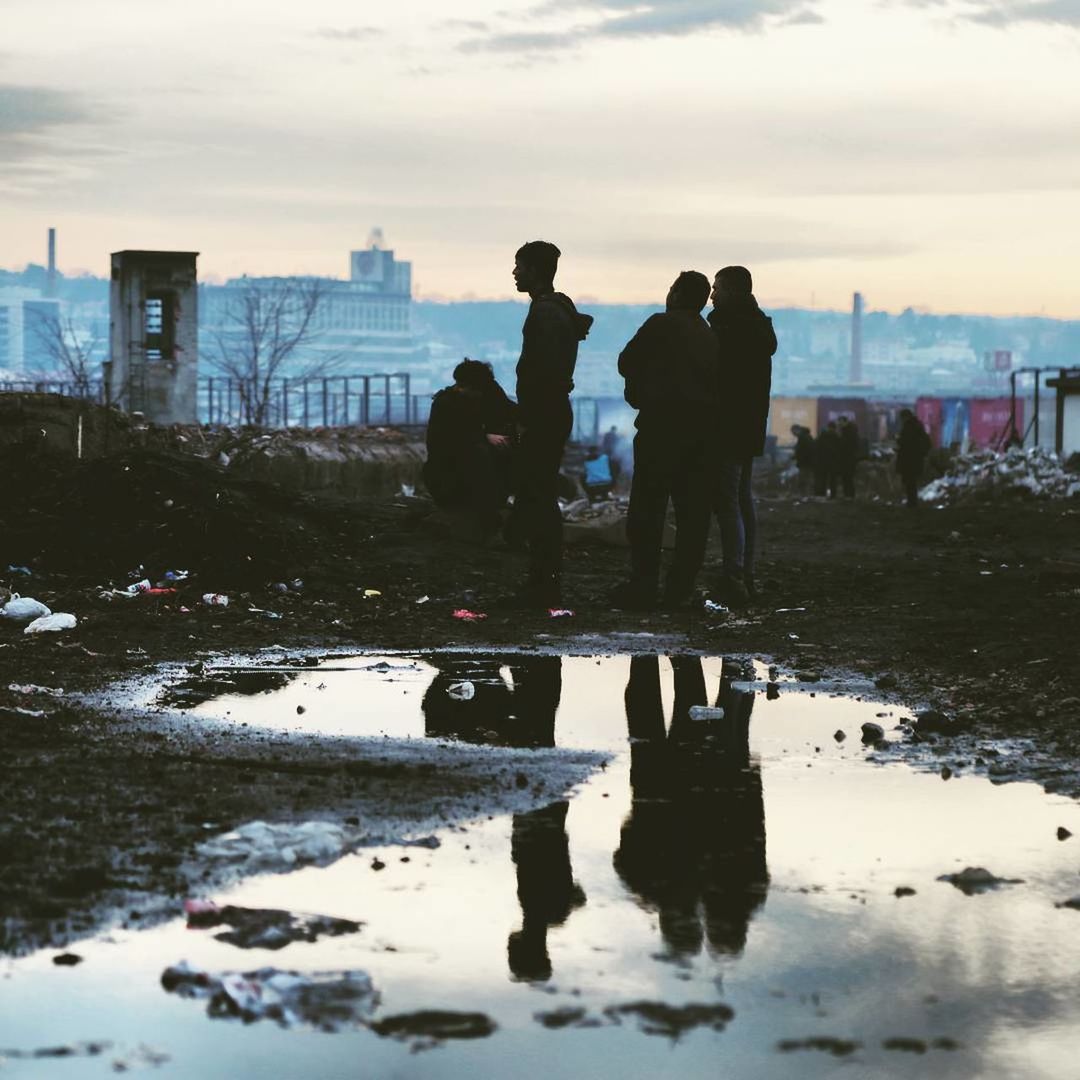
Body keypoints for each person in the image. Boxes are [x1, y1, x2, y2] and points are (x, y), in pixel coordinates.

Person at [613, 271, 720, 610]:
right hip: (702, 434)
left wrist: (642, 390)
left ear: (675, 294)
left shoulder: (660, 324)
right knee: (692, 515)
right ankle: (680, 588)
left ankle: (643, 585)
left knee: (647, 510)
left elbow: (626, 362)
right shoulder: (709, 335)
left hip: (660, 428)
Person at [507, 240, 593, 607]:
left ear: (535, 271)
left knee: (539, 497)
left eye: (520, 266)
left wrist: (526, 418)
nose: (514, 273)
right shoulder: (557, 311)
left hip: (543, 412)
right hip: (553, 409)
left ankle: (543, 583)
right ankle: (543, 580)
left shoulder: (544, 313)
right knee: (540, 495)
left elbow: (538, 372)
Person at [710, 265, 777, 604]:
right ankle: (744, 573)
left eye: (717, 288)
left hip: (728, 427)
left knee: (728, 501)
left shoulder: (731, 329)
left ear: (734, 291)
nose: (712, 295)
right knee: (742, 499)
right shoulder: (758, 327)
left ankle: (733, 575)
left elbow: (721, 379)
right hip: (748, 426)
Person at [422, 359, 516, 535]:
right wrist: (484, 437)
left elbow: (509, 410)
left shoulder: (486, 391)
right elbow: (447, 442)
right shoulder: (446, 403)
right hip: (448, 477)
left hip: (475, 468)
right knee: (479, 453)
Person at [896, 407, 931, 508]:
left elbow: (906, 443)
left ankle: (911, 503)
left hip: (909, 460)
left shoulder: (909, 426)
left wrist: (899, 440)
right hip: (915, 459)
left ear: (905, 417)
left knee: (909, 482)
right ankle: (912, 502)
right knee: (912, 482)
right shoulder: (917, 425)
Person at [814, 420, 841, 498]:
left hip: (823, 461)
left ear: (828, 427)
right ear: (835, 428)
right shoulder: (837, 437)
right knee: (833, 479)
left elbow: (817, 447)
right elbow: (840, 450)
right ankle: (833, 494)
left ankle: (821, 494)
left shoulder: (822, 436)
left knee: (822, 478)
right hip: (833, 461)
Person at [836, 414, 859, 498]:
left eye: (840, 422)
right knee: (847, 477)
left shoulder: (848, 431)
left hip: (847, 458)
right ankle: (848, 495)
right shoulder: (850, 430)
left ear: (845, 421)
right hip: (848, 458)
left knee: (847, 477)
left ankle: (849, 495)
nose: (839, 423)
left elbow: (845, 445)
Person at [792, 425, 815, 495]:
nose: (793, 434)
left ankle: (804, 495)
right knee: (808, 479)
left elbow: (801, 450)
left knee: (803, 480)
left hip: (804, 462)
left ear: (797, 430)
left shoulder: (802, 437)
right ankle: (808, 495)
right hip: (809, 462)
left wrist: (795, 456)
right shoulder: (807, 436)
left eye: (793, 432)